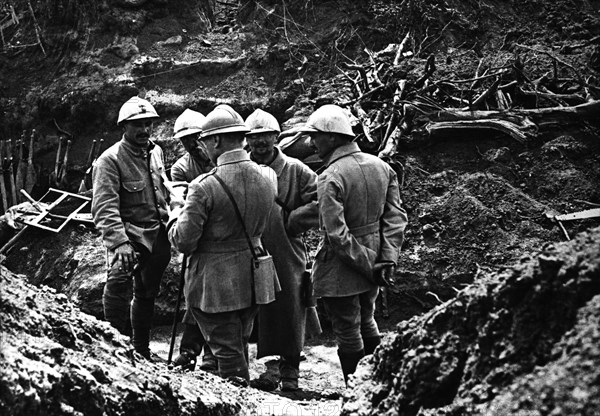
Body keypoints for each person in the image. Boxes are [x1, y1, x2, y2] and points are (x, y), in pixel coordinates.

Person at [168, 104, 278, 383]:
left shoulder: (204, 186)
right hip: (254, 273)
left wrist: (174, 212)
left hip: (216, 282)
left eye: (204, 141)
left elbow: (183, 241)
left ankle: (238, 401)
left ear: (215, 140)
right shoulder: (268, 175)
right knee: (239, 340)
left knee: (227, 354)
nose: (202, 147)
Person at [301, 104, 408, 385]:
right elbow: (395, 218)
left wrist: (367, 266)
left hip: (343, 265)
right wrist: (385, 259)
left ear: (334, 137)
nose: (311, 142)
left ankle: (357, 392)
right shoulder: (382, 167)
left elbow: (336, 234)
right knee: (367, 318)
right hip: (375, 258)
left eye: (316, 136)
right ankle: (379, 386)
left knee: (347, 327)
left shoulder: (330, 177)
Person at [92, 96, 172, 360]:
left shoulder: (156, 152)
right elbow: (104, 207)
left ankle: (141, 350)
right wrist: (119, 242)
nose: (144, 130)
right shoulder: (110, 160)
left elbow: (165, 189)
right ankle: (114, 351)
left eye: (148, 124)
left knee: (147, 292)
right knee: (117, 283)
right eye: (137, 125)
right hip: (130, 235)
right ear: (123, 127)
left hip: (158, 234)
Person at [245, 108, 318, 391]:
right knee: (257, 310)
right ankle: (269, 367)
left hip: (288, 251)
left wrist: (293, 220)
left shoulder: (297, 170)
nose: (261, 142)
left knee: (290, 308)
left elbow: (322, 200)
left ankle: (290, 372)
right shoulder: (242, 167)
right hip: (250, 249)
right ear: (246, 140)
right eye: (255, 137)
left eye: (266, 136)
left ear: (277, 137)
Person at [169, 109, 218, 372]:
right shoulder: (181, 168)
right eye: (185, 140)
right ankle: (188, 351)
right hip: (197, 237)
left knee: (220, 298)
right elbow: (183, 204)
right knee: (194, 296)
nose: (192, 144)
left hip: (223, 237)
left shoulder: (220, 157)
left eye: (196, 137)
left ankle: (212, 354)